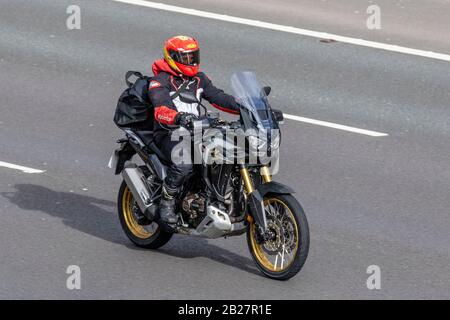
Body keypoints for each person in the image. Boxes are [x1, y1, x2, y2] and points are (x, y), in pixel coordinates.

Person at [148, 35, 240, 228]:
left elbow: (218, 97)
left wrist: (247, 106)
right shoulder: (160, 81)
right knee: (184, 163)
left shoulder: (199, 79)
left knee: (230, 153)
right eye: (186, 57)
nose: (191, 61)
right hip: (169, 133)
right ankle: (167, 202)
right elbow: (160, 110)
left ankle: (216, 196)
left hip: (198, 131)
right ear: (172, 57)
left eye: (193, 56)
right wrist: (179, 117)